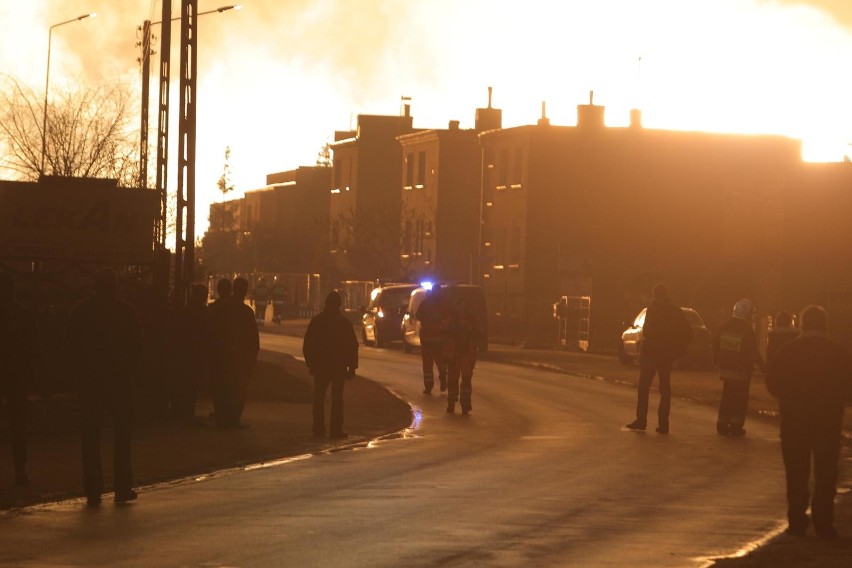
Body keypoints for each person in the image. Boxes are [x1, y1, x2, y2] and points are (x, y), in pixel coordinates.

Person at [765, 305, 852, 539]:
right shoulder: (837, 352)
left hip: (795, 421)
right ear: (825, 325)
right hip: (827, 421)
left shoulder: (789, 351)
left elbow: (772, 383)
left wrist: (790, 396)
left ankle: (796, 520)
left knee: (796, 472)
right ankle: (824, 521)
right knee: (826, 473)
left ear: (802, 325)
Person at [65, 268, 143, 505]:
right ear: (116, 288)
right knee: (122, 434)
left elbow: (71, 346)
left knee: (90, 435)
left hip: (90, 381)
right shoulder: (127, 311)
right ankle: (122, 486)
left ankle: (93, 488)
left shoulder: (81, 312)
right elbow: (137, 347)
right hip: (120, 380)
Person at [626, 283, 692, 434]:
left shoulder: (653, 309)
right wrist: (677, 352)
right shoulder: (676, 311)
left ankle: (641, 420)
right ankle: (663, 424)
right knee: (665, 389)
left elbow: (648, 331)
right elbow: (688, 332)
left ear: (655, 294)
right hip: (667, 355)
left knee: (643, 387)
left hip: (651, 354)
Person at [0, 273, 40, 486]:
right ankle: (19, 470)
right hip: (17, 376)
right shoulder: (23, 314)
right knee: (18, 425)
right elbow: (33, 348)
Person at [302, 291, 359, 438]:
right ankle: (336, 429)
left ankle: (318, 429)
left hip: (321, 365)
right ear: (339, 304)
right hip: (338, 366)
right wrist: (352, 366)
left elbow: (308, 343)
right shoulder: (344, 323)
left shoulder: (317, 321)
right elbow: (352, 346)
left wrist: (311, 363)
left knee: (319, 397)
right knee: (337, 399)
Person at [714, 298, 759, 436]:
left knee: (727, 396)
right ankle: (736, 426)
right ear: (746, 314)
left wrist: (717, 362)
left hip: (726, 370)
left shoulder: (725, 326)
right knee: (740, 399)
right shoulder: (747, 330)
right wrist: (763, 365)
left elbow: (716, 345)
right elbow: (752, 351)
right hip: (741, 371)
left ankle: (722, 424)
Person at [172, 283, 210, 424]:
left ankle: (182, 411)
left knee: (185, 382)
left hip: (187, 351)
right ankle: (187, 411)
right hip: (196, 352)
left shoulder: (188, 310)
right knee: (192, 384)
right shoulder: (202, 311)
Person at [228, 277, 260, 427]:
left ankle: (224, 416)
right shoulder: (246, 312)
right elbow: (253, 338)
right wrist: (253, 356)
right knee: (240, 389)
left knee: (225, 386)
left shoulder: (222, 308)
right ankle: (234, 418)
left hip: (225, 355)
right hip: (241, 357)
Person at [446, 297, 480, 415]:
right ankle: (451, 402)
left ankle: (465, 403)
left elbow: (477, 334)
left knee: (466, 380)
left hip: (467, 354)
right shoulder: (453, 320)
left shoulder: (471, 320)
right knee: (452, 380)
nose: (463, 308)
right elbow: (447, 334)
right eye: (461, 306)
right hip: (454, 354)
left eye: (464, 306)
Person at [415, 285, 451, 395]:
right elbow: (450, 318)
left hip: (427, 339)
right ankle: (443, 378)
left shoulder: (426, 303)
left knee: (427, 364)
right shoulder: (445, 303)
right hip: (440, 339)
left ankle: (429, 387)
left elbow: (418, 315)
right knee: (441, 362)